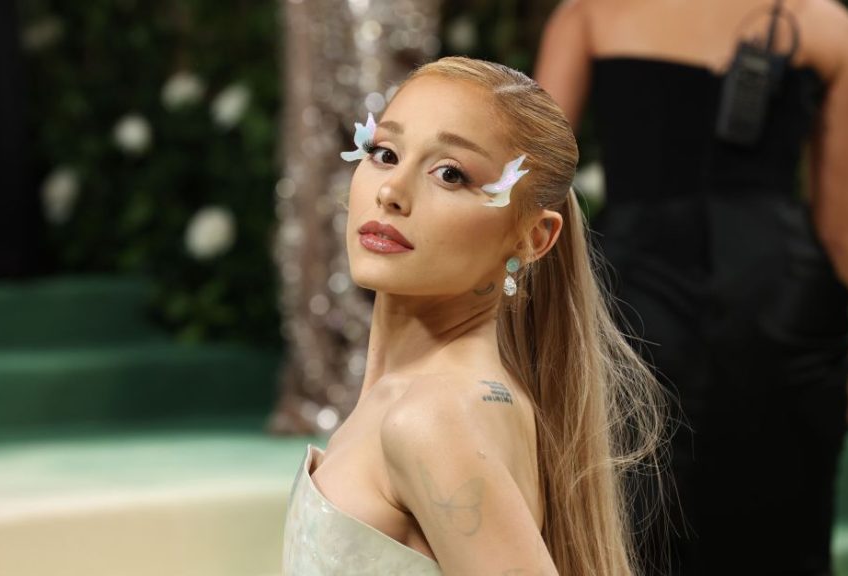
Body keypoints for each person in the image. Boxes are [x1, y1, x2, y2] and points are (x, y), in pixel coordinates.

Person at [282, 56, 666, 576]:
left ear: (532, 238)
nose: (391, 192)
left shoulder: (431, 418)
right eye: (385, 153)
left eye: (450, 174)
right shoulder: (428, 400)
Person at [535, 1, 848, 574]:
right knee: (780, 529)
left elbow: (533, 187)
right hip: (780, 299)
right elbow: (840, 222)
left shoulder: (594, 12)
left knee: (631, 530)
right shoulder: (830, 28)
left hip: (635, 296)